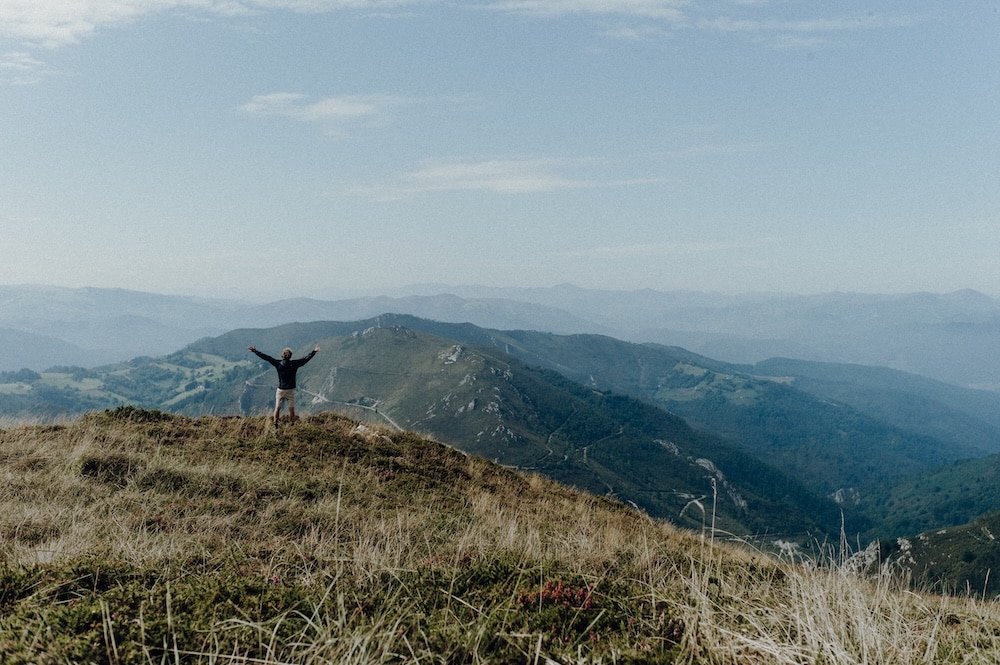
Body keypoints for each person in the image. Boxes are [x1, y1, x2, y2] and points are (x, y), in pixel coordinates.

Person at [248, 345, 319, 425]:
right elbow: (305, 359)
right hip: (290, 390)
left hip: (281, 390)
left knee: (277, 408)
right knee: (291, 409)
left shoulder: (278, 363)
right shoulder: (294, 364)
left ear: (282, 355)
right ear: (290, 356)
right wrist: (314, 351)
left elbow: (267, 357)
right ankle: (292, 424)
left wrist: (255, 351)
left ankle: (275, 424)